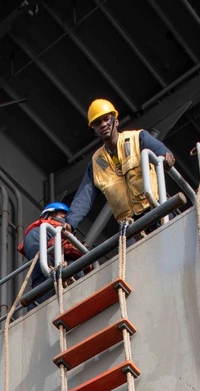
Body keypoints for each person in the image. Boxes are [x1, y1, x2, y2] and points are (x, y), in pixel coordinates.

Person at [64, 99, 176, 235]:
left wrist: (166, 157)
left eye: (106, 119)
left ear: (115, 121)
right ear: (93, 130)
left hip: (156, 208)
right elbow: (84, 198)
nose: (103, 124)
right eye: (97, 123)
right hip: (130, 226)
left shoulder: (138, 138)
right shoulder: (95, 165)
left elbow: (161, 152)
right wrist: (70, 223)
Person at [19, 202, 82, 285]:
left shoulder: (72, 239)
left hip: (77, 282)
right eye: (63, 217)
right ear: (49, 217)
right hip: (48, 283)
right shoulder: (38, 232)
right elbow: (35, 250)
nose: (65, 222)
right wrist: (56, 272)